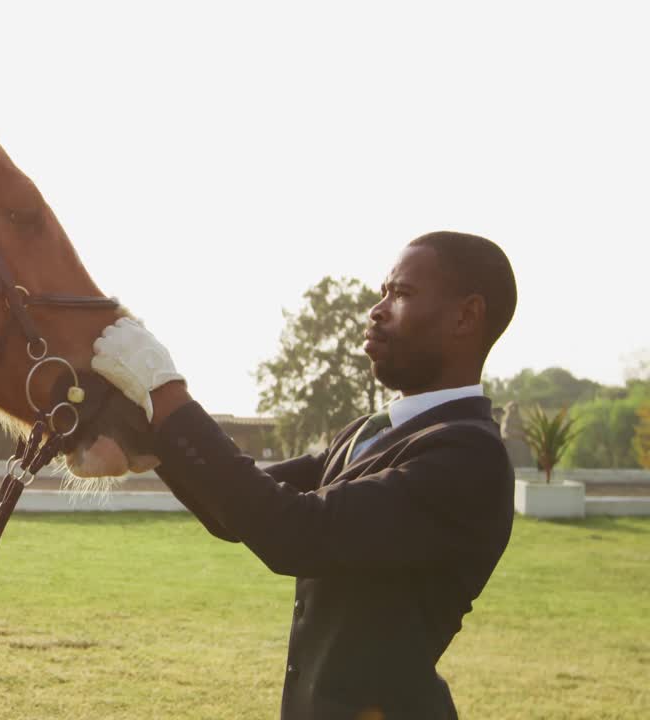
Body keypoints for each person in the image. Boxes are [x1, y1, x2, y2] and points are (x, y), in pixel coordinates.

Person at [91, 231, 517, 719]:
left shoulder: (468, 455)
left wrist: (164, 390)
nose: (377, 310)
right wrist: (150, 440)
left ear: (466, 316)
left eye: (401, 294)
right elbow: (242, 510)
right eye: (383, 292)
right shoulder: (370, 432)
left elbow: (295, 533)